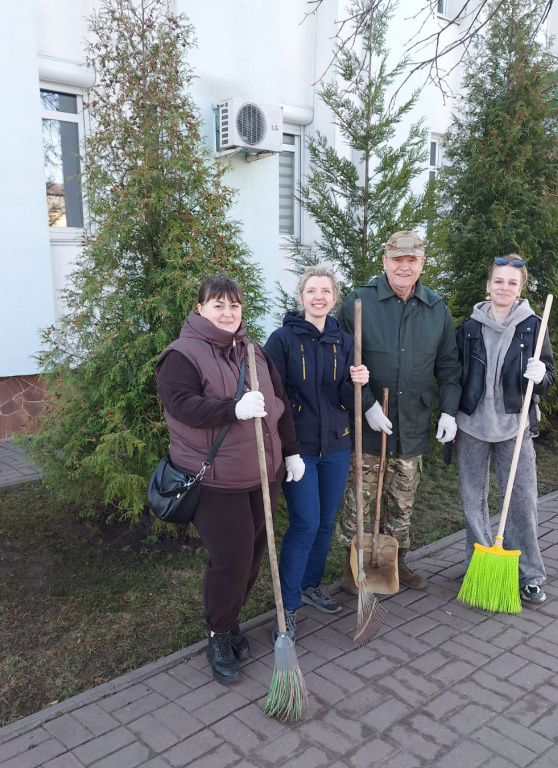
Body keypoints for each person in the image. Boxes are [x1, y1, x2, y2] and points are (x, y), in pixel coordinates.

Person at [155, 276, 303, 684]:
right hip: (217, 481)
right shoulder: (181, 355)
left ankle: (230, 618)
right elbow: (181, 404)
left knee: (254, 554)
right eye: (218, 305)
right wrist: (232, 409)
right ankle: (218, 633)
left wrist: (290, 451)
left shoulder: (253, 351)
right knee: (231, 560)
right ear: (199, 308)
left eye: (234, 305)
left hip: (263, 475)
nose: (227, 313)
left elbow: (279, 403)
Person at [337, 230, 462, 591]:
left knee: (402, 498)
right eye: (397, 260)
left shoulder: (435, 308)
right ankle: (351, 565)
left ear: (422, 263)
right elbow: (342, 365)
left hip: (413, 422)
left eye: (412, 260)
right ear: (385, 261)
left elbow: (449, 367)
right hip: (369, 421)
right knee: (361, 496)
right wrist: (367, 404)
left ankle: (396, 562)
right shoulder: (360, 302)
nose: (404, 267)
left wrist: (449, 412)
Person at [264, 264, 370, 639]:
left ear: (335, 298)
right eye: (312, 290)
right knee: (305, 523)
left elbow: (344, 398)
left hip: (337, 445)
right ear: (301, 297)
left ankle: (309, 585)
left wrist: (359, 384)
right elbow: (273, 395)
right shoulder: (282, 340)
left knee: (325, 522)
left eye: (326, 291)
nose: (319, 297)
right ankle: (287, 606)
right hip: (300, 449)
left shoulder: (344, 340)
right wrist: (286, 446)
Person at [454, 255, 555, 603]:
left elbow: (549, 377)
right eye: (499, 281)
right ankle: (480, 565)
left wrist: (541, 376)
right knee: (472, 499)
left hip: (515, 424)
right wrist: (448, 413)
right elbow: (455, 376)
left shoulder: (534, 327)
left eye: (512, 282)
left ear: (520, 288)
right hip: (472, 425)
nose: (504, 287)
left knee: (522, 500)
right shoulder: (468, 328)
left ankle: (529, 572)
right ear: (488, 285)